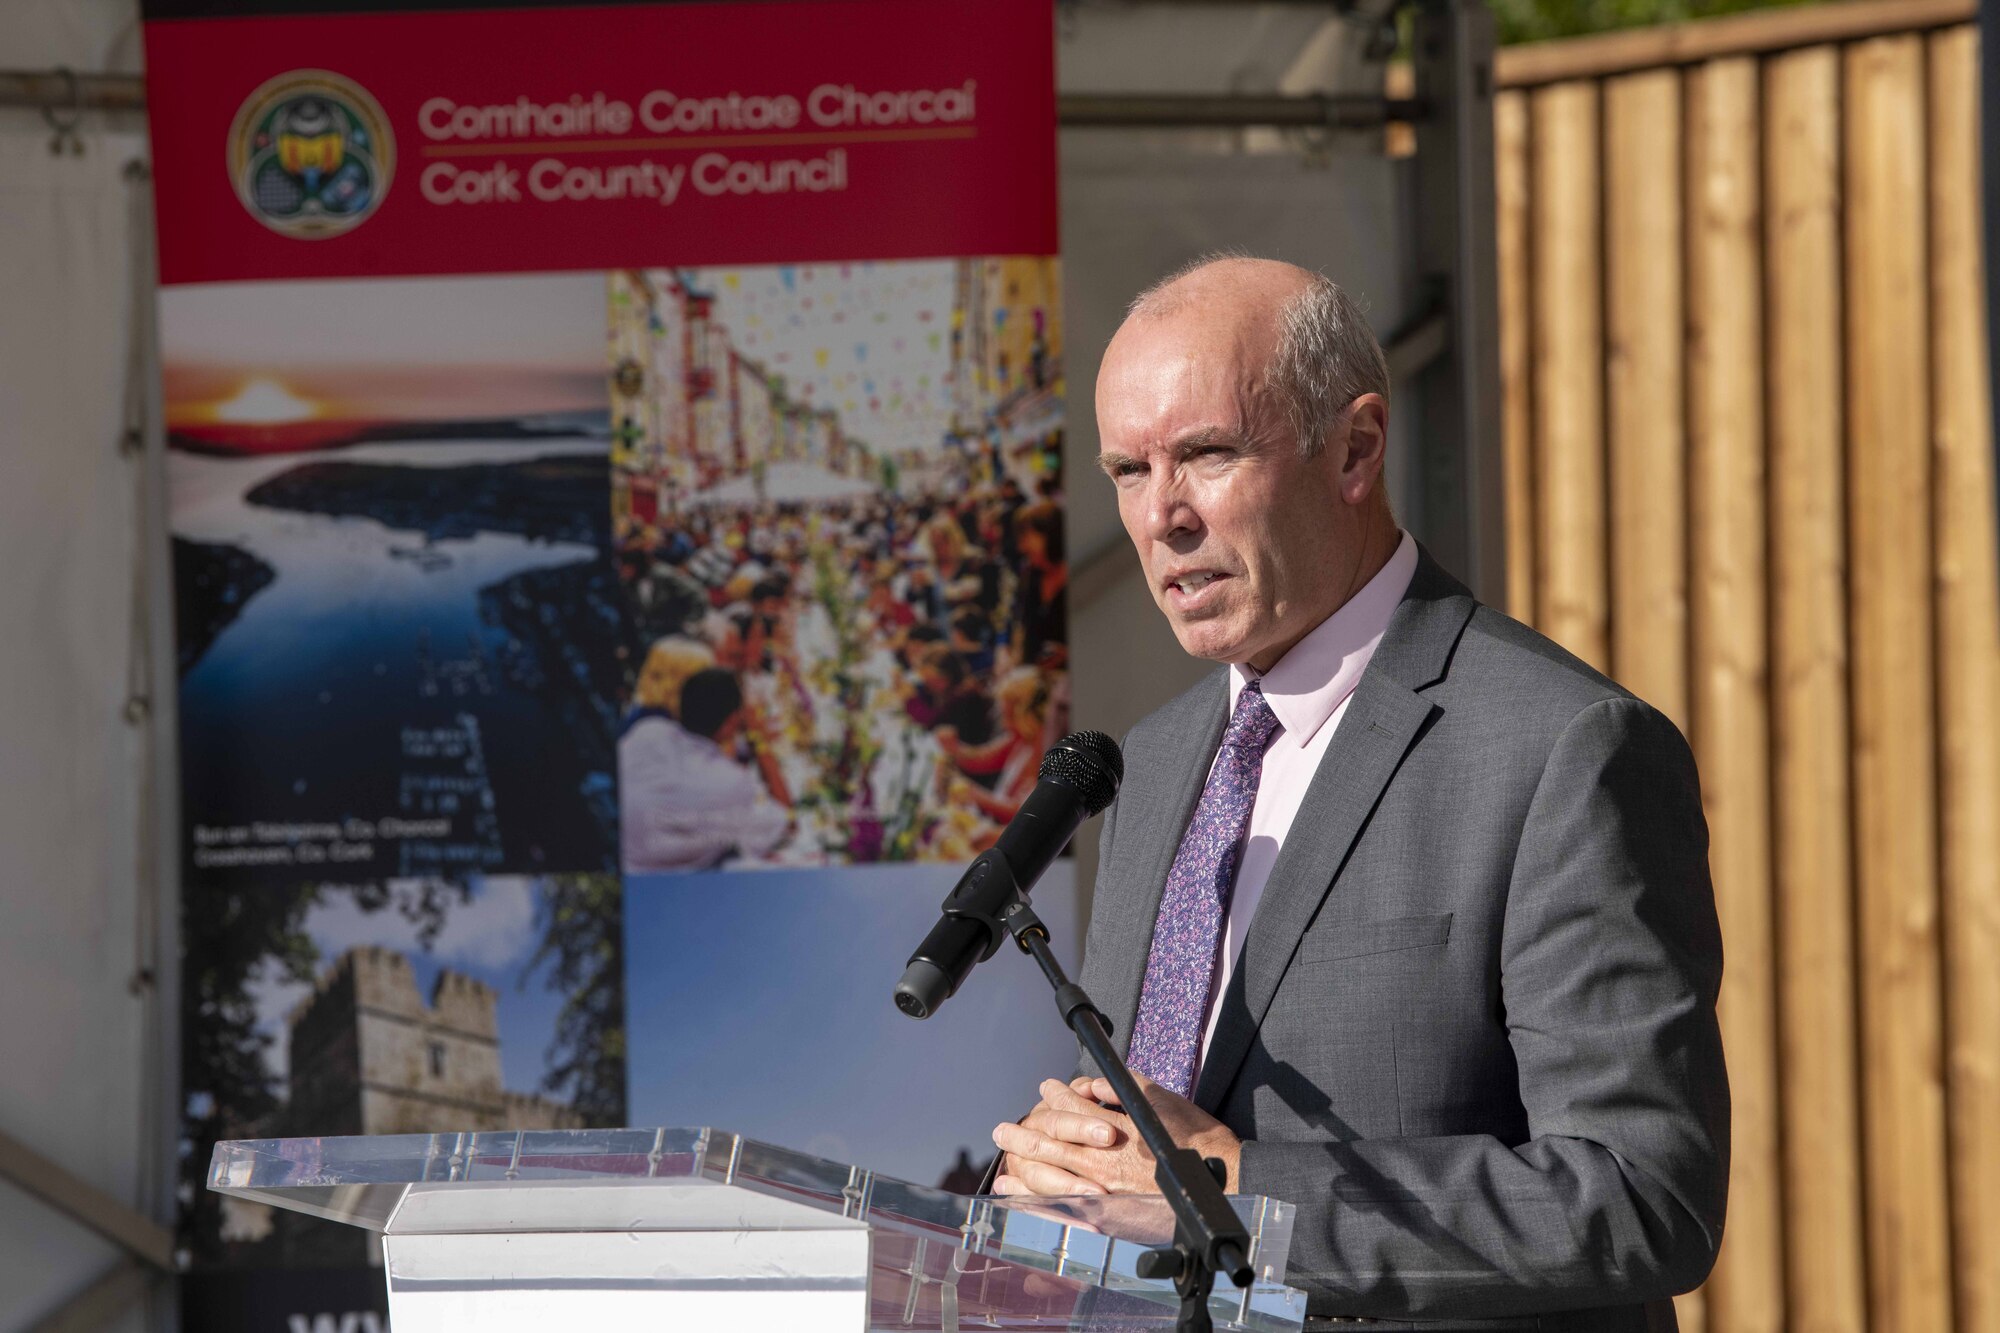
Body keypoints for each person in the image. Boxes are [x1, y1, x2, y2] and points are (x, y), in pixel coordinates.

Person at [988, 256, 1726, 1328]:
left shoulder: (1564, 748)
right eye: (1128, 471)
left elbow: (1640, 1196)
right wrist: (1058, 1182)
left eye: (1206, 454)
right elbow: (1149, 1161)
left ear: (1356, 448)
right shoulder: (1150, 761)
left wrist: (1237, 1190)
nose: (1160, 516)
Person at [619, 666, 790, 872]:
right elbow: (786, 820)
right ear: (732, 721)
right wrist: (758, 738)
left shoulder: (648, 731)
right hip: (661, 880)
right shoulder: (732, 784)